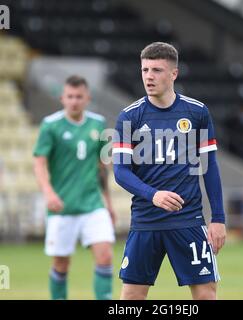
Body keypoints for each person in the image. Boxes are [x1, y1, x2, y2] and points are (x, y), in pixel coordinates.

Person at [113, 42, 226, 300]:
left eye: (156, 70)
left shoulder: (197, 112)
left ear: (173, 74)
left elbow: (210, 168)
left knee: (206, 295)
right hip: (145, 222)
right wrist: (154, 195)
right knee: (130, 297)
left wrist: (218, 218)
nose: (149, 76)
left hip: (188, 220)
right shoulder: (129, 117)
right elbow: (120, 171)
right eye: (145, 70)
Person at [33, 75, 116, 300]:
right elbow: (39, 162)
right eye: (70, 96)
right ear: (62, 98)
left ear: (87, 98)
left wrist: (108, 203)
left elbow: (102, 167)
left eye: (79, 96)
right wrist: (48, 193)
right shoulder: (51, 125)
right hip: (62, 206)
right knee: (61, 263)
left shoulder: (97, 123)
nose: (74, 101)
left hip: (92, 204)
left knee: (105, 256)